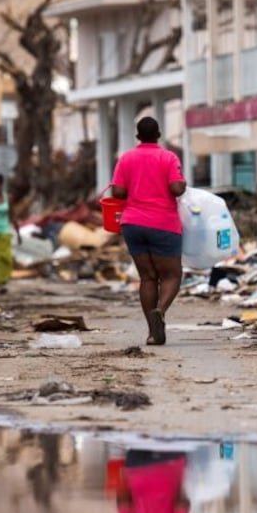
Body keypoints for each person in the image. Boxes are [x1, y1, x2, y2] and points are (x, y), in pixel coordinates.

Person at [111, 117, 187, 345]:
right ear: (159, 134)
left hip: (132, 224)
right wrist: (182, 184)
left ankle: (153, 333)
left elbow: (117, 192)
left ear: (138, 136)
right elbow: (175, 188)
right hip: (163, 223)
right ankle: (160, 312)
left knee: (147, 277)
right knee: (172, 275)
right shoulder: (168, 157)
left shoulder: (126, 158)